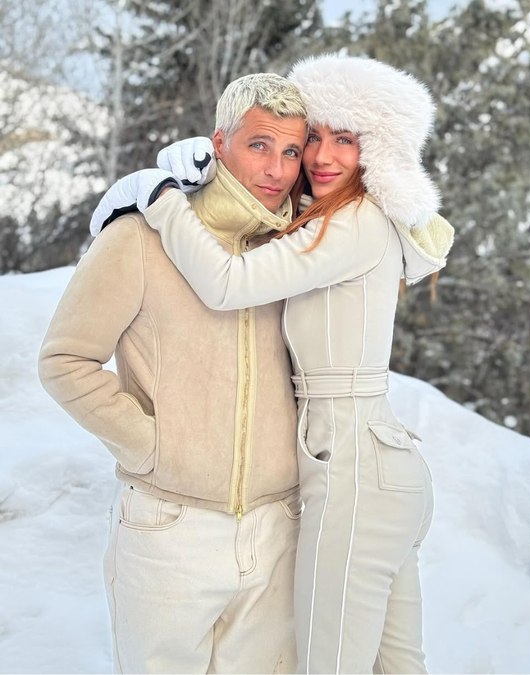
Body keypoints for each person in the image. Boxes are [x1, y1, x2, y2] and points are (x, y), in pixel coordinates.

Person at [92, 55, 453, 674]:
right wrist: (212, 171)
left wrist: (155, 199)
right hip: (374, 464)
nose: (321, 156)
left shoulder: (356, 223)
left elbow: (228, 284)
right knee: (397, 667)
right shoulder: (324, 222)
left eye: (347, 139)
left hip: (356, 474)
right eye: (314, 137)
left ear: (380, 153)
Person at [39, 73, 308, 673]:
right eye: (259, 144)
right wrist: (151, 446)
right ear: (218, 143)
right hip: (169, 529)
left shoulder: (295, 249)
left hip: (278, 529)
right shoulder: (139, 236)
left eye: (291, 151)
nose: (277, 168)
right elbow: (65, 359)